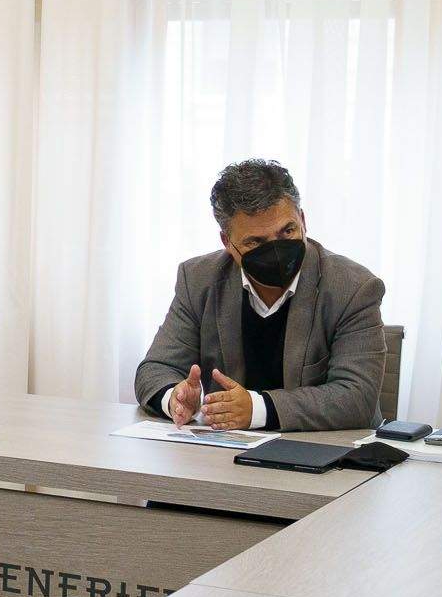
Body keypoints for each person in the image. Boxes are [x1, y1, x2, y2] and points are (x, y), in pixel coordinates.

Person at [133, 159, 387, 432]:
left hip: (327, 456)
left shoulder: (353, 287)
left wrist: (256, 409)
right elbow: (155, 368)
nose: (276, 250)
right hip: (224, 457)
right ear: (227, 242)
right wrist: (175, 397)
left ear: (303, 220)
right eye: (256, 242)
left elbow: (357, 397)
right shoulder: (198, 279)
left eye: (287, 231)